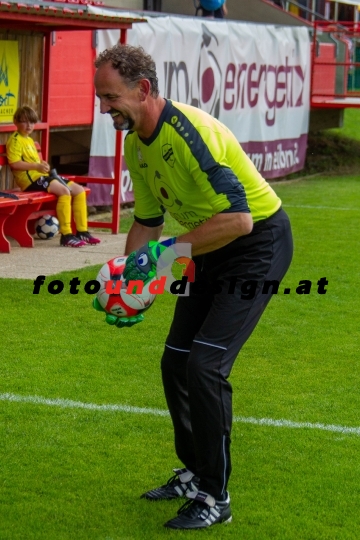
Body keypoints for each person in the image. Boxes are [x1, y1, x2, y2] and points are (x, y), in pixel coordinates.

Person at [93, 44, 293, 530]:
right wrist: (130, 278)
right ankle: (194, 473)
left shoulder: (191, 133)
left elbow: (240, 221)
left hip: (256, 246)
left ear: (143, 90)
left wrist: (163, 259)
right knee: (176, 361)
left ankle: (214, 497)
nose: (104, 108)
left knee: (205, 365)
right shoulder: (136, 143)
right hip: (209, 247)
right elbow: (146, 221)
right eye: (100, 97)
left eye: (110, 97)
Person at [6, 106, 100, 248]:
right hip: (30, 181)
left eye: (32, 122)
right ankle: (66, 235)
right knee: (64, 192)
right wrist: (37, 167)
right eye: (25, 122)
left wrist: (42, 165)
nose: (29, 126)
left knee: (79, 190)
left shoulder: (29, 140)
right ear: (16, 122)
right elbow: (15, 164)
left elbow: (33, 162)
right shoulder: (15, 140)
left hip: (41, 176)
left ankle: (82, 232)